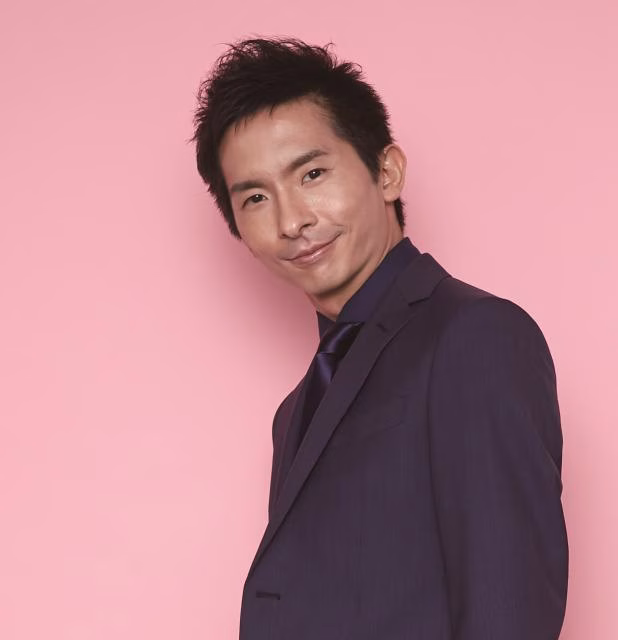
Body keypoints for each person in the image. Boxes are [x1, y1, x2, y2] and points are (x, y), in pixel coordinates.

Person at [192, 37, 568, 639]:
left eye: (312, 174)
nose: (292, 220)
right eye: (256, 197)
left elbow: (509, 607)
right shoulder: (296, 412)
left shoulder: (475, 337)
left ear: (387, 172)